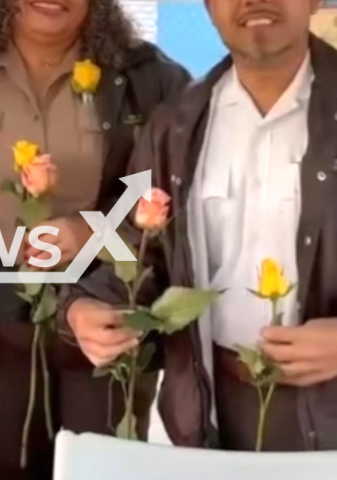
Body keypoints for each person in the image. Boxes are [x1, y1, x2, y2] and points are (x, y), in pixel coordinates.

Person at [63, 0, 337, 451]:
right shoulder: (172, 126)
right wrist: (81, 307)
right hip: (213, 411)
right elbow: (133, 247)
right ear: (209, 8)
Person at [0, 0, 191, 478]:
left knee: (105, 467)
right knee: (5, 467)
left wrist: (90, 232)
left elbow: (175, 198)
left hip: (107, 313)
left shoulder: (150, 78)